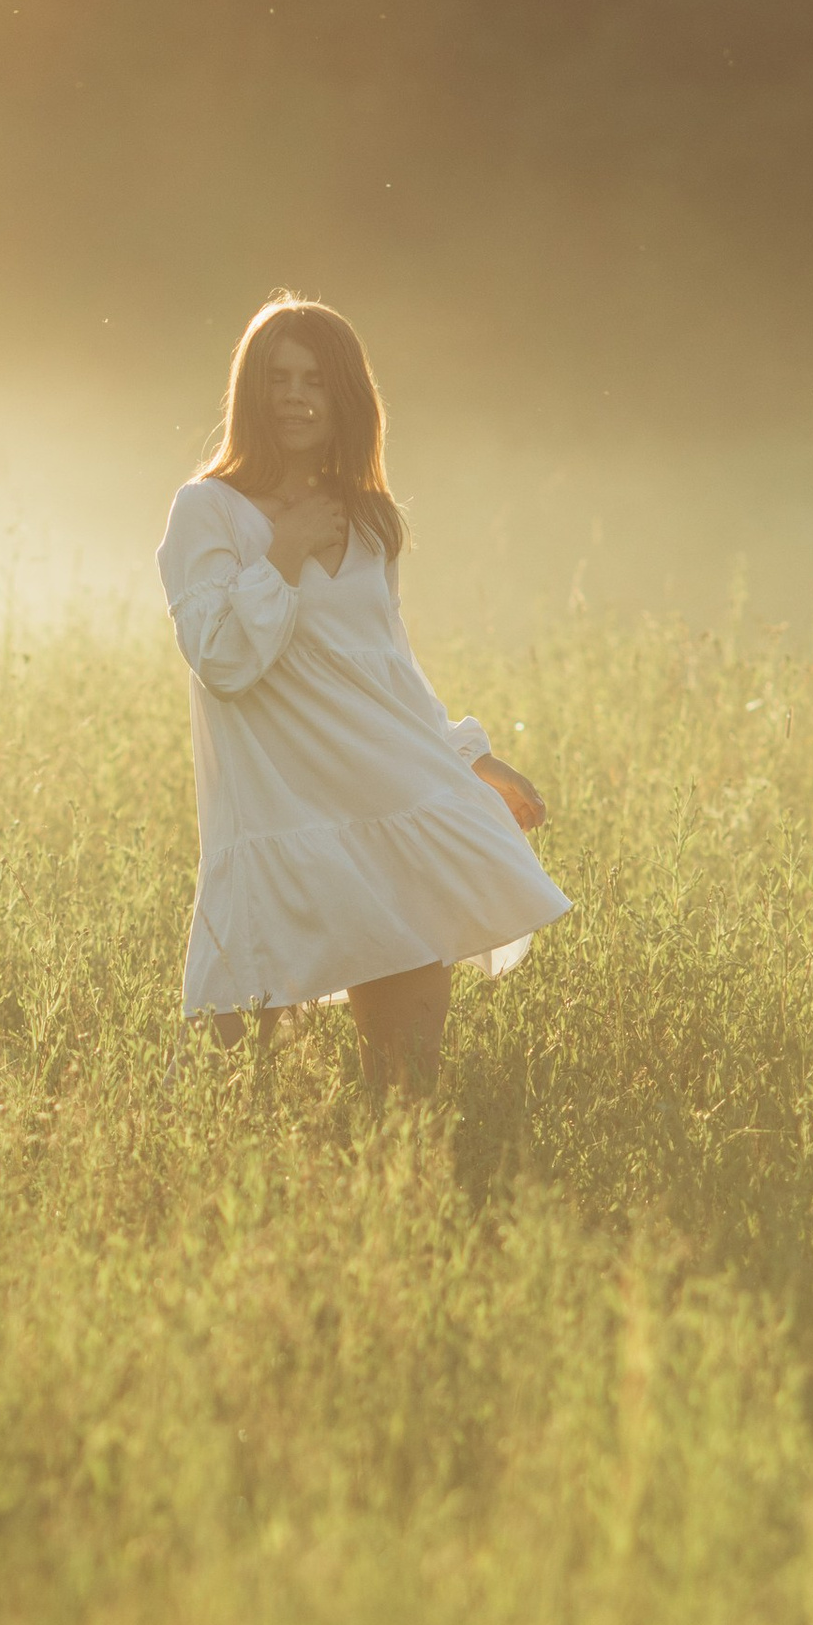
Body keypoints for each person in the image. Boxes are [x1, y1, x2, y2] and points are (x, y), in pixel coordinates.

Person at [157, 291, 567, 1092]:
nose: (295, 397)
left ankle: (397, 1211)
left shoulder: (371, 518)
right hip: (278, 818)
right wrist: (280, 554)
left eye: (315, 379)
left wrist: (468, 756)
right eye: (277, 379)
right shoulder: (207, 512)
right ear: (251, 393)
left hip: (390, 801)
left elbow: (387, 666)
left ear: (346, 397)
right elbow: (220, 661)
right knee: (215, 1083)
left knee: (406, 1085)